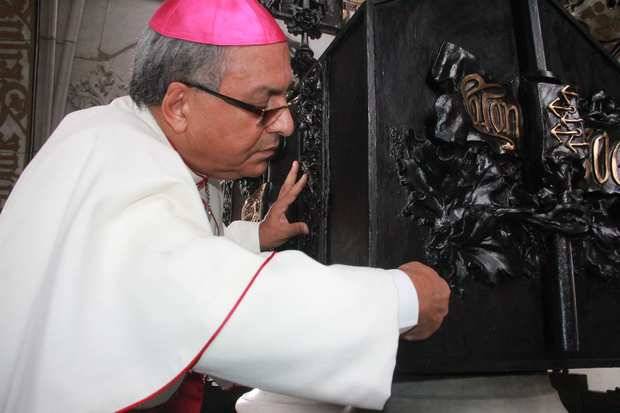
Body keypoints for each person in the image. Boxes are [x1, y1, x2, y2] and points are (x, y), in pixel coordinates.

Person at [0, 0, 450, 412]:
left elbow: (146, 262)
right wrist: (397, 299)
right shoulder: (121, 158)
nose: (286, 122)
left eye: (286, 98)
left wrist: (253, 236)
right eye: (261, 104)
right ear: (179, 104)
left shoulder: (108, 135)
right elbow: (194, 294)